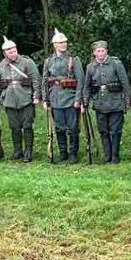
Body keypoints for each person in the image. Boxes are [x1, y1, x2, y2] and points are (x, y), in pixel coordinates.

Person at [41, 29, 85, 163]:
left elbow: (80, 81)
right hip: (55, 98)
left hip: (70, 98)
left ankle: (73, 153)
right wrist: (45, 99)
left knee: (73, 128)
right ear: (54, 45)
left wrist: (78, 100)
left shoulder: (74, 60)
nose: (63, 45)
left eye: (65, 42)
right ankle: (63, 152)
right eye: (60, 43)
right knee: (59, 128)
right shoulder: (48, 61)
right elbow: (44, 81)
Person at [84, 40, 131, 164]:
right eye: (98, 51)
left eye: (103, 51)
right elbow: (87, 86)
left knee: (115, 131)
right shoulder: (90, 67)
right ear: (94, 53)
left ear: (106, 51)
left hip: (115, 102)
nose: (100, 53)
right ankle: (107, 155)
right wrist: (85, 102)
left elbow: (125, 83)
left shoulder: (116, 64)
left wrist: (128, 100)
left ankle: (115, 156)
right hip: (99, 103)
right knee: (103, 131)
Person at [0, 38, 40, 162]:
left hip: (26, 98)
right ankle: (18, 151)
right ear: (5, 53)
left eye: (14, 50)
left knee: (27, 126)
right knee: (14, 127)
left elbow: (35, 79)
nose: (13, 53)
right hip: (9, 99)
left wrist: (36, 96)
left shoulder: (27, 62)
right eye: (10, 52)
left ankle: (28, 151)